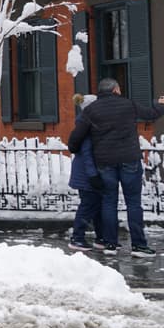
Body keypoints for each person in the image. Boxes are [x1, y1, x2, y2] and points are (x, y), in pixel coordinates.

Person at [67, 77, 164, 257]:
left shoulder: (91, 110)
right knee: (133, 203)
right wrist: (161, 105)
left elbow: (75, 139)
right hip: (129, 159)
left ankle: (110, 244)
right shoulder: (128, 105)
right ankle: (139, 245)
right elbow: (151, 114)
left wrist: (75, 148)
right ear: (116, 90)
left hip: (105, 163)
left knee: (108, 202)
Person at [66, 94, 103, 251]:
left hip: (87, 173)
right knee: (88, 206)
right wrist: (93, 175)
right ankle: (77, 238)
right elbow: (87, 154)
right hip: (87, 174)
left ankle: (101, 237)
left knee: (97, 206)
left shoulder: (86, 124)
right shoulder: (87, 127)